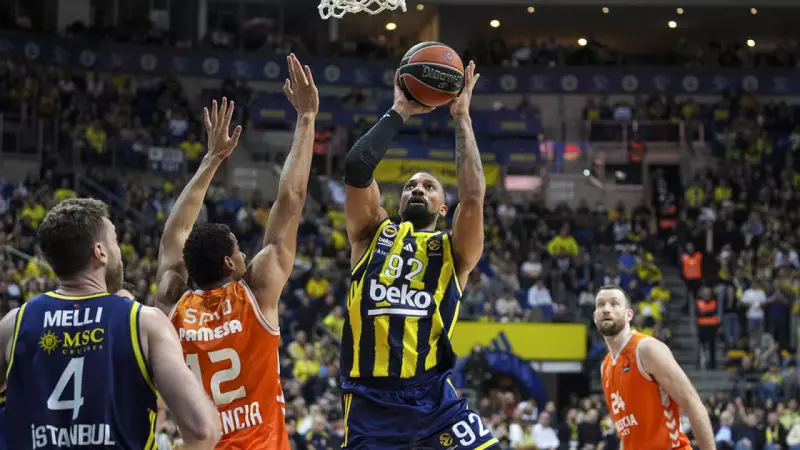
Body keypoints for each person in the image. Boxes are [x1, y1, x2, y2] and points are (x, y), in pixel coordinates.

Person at [154, 54, 318, 449]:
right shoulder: (256, 291)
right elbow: (291, 198)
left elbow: (174, 234)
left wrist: (211, 160)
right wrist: (307, 118)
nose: (246, 255)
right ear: (230, 261)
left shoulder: (172, 303)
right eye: (240, 250)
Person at [339, 61, 497, 449]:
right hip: (371, 402)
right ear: (397, 202)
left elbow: (473, 196)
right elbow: (357, 167)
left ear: (443, 207)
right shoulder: (371, 233)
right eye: (410, 186)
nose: (417, 190)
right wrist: (401, 109)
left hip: (433, 398)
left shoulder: (454, 250)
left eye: (429, 186)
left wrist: (462, 118)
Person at [0, 198, 220, 449]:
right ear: (100, 252)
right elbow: (203, 431)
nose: (119, 251)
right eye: (114, 241)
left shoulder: (14, 324)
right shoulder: (143, 322)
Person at [594, 285, 714, 450]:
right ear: (595, 316)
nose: (606, 309)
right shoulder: (606, 367)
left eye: (614, 303)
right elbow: (627, 433)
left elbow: (693, 403)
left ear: (629, 314)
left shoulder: (646, 349)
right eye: (601, 304)